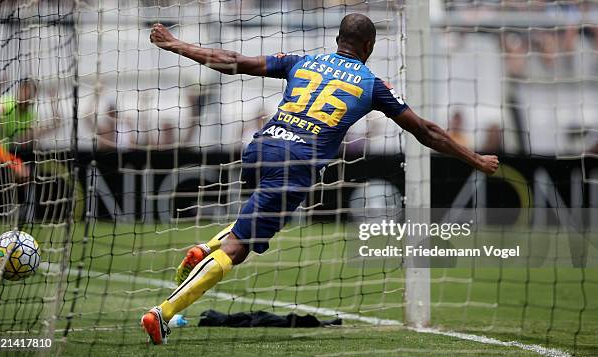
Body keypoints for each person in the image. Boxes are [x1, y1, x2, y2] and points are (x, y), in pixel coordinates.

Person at [142, 14, 499, 344]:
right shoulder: (373, 85)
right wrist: (476, 158)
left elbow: (234, 61)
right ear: (369, 48)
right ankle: (163, 313)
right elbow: (426, 130)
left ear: (337, 40)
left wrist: (176, 43)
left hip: (259, 148)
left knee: (253, 219)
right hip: (295, 163)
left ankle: (205, 252)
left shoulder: (302, 61)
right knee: (240, 246)